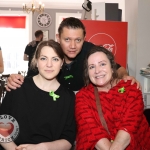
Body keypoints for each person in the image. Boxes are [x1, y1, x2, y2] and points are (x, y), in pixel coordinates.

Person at [6, 17, 140, 92]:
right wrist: (15, 79)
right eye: (67, 39)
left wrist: (127, 77)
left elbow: (117, 68)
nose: (72, 46)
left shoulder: (90, 51)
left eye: (78, 40)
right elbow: (29, 80)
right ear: (58, 38)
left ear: (84, 38)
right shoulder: (48, 55)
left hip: (85, 106)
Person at [0, 40, 76, 150]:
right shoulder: (17, 86)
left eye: (55, 59)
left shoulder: (68, 97)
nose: (49, 64)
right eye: (43, 58)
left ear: (62, 62)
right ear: (36, 61)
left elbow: (68, 139)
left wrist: (43, 147)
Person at [75, 45, 150, 150]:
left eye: (102, 64)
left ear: (112, 67)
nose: (97, 71)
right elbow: (93, 132)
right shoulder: (82, 97)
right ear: (88, 72)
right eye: (92, 67)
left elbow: (129, 126)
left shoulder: (131, 88)